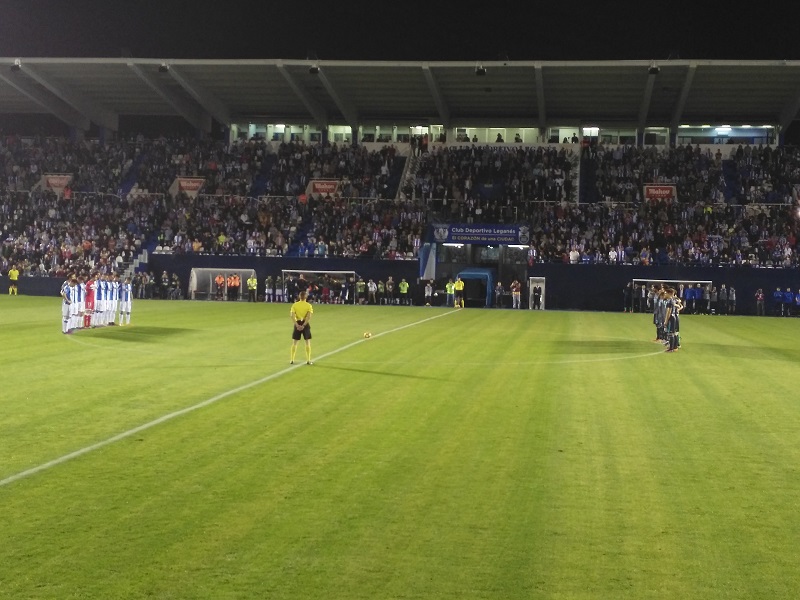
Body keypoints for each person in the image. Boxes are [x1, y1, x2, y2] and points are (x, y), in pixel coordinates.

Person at [290, 290, 314, 365]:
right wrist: (303, 325)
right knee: (307, 342)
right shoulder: (308, 306)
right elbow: (308, 316)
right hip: (305, 324)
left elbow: (292, 315)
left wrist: (297, 325)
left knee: (295, 342)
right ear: (306, 297)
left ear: (299, 297)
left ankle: (292, 359)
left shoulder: (295, 305)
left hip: (297, 323)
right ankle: (308, 360)